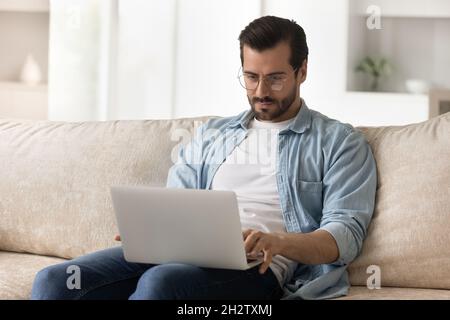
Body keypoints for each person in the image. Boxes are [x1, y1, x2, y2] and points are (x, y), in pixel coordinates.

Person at [31, 15, 376, 300]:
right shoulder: (214, 134)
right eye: (251, 77)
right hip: (180, 254)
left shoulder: (339, 142)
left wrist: (278, 241)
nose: (260, 92)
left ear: (302, 71)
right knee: (53, 281)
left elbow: (344, 236)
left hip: (260, 269)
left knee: (161, 284)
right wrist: (151, 229)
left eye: (275, 79)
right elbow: (177, 202)